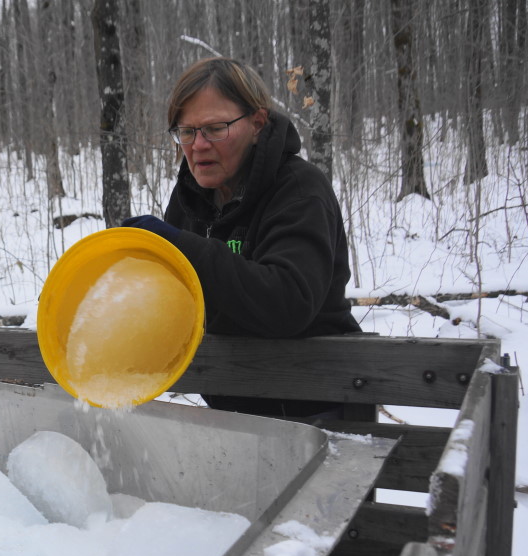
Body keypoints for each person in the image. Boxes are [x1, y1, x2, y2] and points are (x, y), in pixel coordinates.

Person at [123, 56, 361, 420]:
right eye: (186, 132)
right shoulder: (192, 195)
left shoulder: (299, 190)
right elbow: (172, 299)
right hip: (236, 412)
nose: (198, 145)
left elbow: (286, 303)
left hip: (318, 413)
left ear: (257, 123)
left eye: (215, 128)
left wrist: (178, 247)